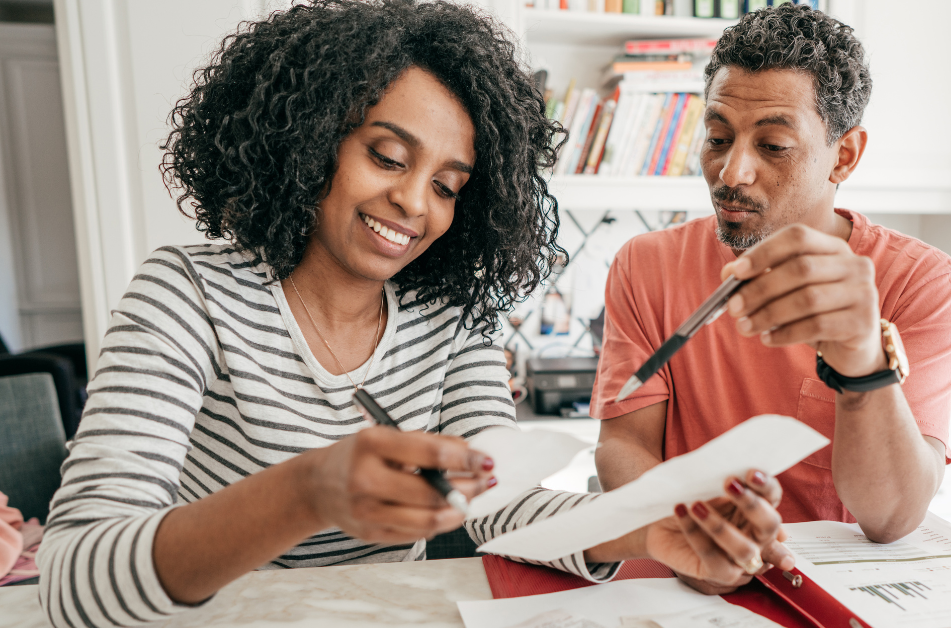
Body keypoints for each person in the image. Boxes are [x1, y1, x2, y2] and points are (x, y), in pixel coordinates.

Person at [36, 2, 794, 626]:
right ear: (310, 142)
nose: (413, 203)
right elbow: (73, 575)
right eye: (389, 158)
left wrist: (650, 529)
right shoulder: (186, 297)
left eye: (448, 185)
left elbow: (500, 506)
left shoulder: (450, 316)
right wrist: (307, 491)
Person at [591, 3, 951, 593]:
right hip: (681, 578)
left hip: (830, 589)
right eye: (718, 138)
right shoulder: (647, 264)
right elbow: (623, 444)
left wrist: (861, 355)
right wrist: (691, 529)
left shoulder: (920, 282)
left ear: (843, 156)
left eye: (773, 145)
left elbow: (892, 516)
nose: (731, 171)